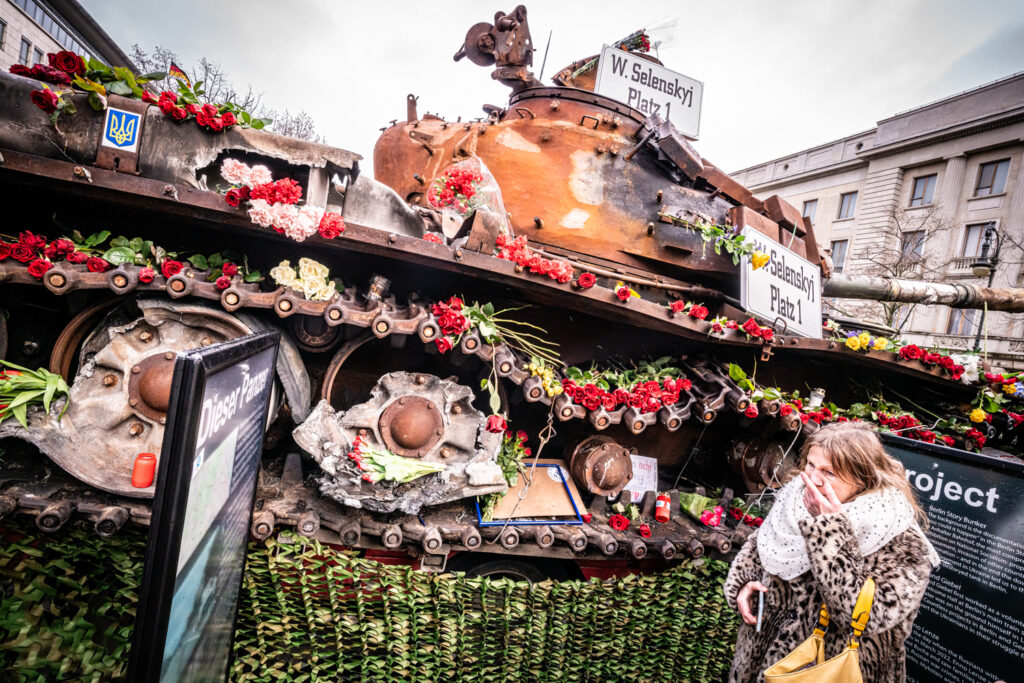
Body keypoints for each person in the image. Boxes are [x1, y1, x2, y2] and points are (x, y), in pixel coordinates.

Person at [723, 421, 939, 682]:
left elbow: (865, 617)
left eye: (830, 472)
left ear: (863, 479)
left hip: (830, 668)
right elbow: (762, 545)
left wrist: (829, 529)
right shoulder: (796, 497)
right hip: (763, 659)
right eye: (811, 465)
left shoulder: (903, 541)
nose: (812, 479)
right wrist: (745, 581)